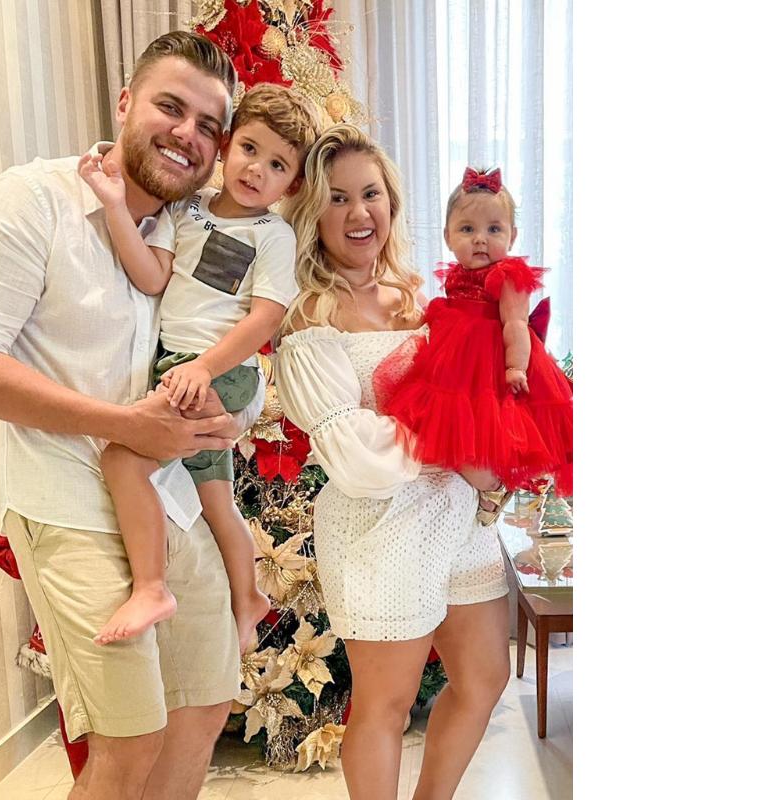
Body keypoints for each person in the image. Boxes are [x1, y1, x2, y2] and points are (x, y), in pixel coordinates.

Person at [0, 32, 263, 800]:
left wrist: (234, 413)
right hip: (67, 501)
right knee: (129, 741)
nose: (188, 134)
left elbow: (241, 341)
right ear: (127, 103)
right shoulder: (33, 200)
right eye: (171, 107)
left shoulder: (200, 229)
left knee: (205, 704)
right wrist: (123, 425)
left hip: (173, 502)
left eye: (209, 125)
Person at [275, 124, 511, 800]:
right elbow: (350, 451)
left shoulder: (420, 297)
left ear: (392, 203)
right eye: (338, 197)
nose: (359, 213)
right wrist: (457, 448)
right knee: (386, 703)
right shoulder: (308, 316)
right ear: (313, 211)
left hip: (460, 517)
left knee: (484, 677)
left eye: (371, 194)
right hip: (379, 528)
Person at [78, 83, 323, 651]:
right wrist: (113, 206)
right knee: (215, 496)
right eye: (251, 150)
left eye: (278, 165)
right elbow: (151, 276)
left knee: (121, 459)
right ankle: (249, 597)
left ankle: (151, 587)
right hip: (179, 365)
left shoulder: (273, 235)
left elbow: (265, 319)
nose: (257, 170)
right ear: (228, 145)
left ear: (293, 184)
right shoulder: (186, 209)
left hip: (219, 371)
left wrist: (205, 370)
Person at [374, 166, 574, 516]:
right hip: (455, 362)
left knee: (489, 436)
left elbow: (516, 324)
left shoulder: (508, 275)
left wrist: (515, 367)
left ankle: (493, 489)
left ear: (512, 236)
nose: (480, 239)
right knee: (453, 433)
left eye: (494, 229)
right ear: (448, 236)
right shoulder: (457, 274)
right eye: (467, 229)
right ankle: (475, 492)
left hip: (492, 366)